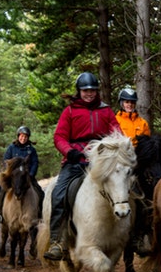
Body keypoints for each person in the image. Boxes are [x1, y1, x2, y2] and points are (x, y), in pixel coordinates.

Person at [43, 72, 121, 261]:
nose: (89, 94)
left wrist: (112, 148)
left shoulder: (106, 110)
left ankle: (134, 236)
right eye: (85, 90)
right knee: (59, 193)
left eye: (92, 90)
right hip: (76, 160)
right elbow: (59, 136)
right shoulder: (69, 111)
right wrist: (69, 151)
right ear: (79, 91)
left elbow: (117, 132)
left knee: (128, 188)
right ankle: (57, 241)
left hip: (101, 160)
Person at [115, 86, 152, 257]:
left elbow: (147, 146)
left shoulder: (142, 123)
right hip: (121, 166)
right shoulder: (115, 121)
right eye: (126, 102)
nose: (129, 104)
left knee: (148, 197)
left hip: (138, 166)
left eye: (132, 102)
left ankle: (143, 235)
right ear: (121, 103)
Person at [0, 126, 45, 224]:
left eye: (25, 137)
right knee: (2, 192)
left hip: (27, 177)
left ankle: (40, 215)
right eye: (22, 136)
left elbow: (35, 163)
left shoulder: (31, 150)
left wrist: (31, 174)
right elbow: (6, 161)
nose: (23, 138)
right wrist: (9, 173)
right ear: (18, 136)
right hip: (13, 177)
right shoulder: (11, 148)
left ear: (28, 138)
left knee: (40, 192)